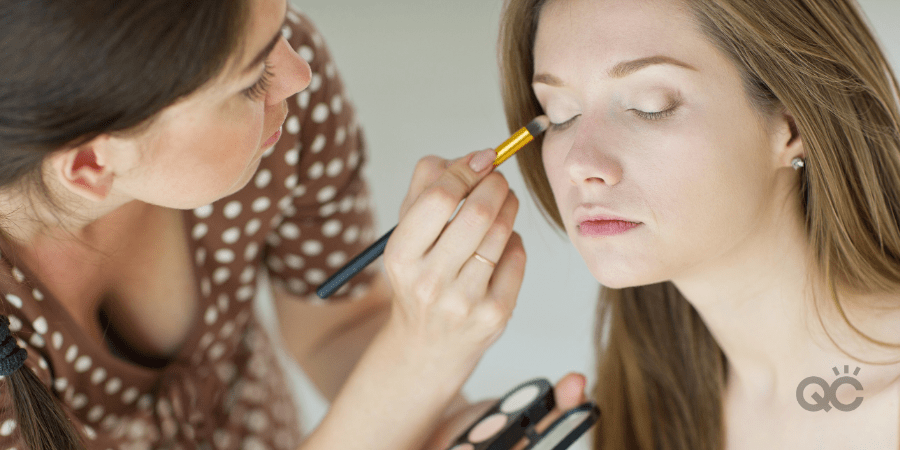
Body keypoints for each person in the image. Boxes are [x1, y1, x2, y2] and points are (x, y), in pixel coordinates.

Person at [0, 0, 589, 448]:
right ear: (90, 164)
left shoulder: (279, 116)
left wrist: (444, 422)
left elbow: (336, 327)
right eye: (252, 78)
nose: (299, 73)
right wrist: (422, 355)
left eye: (279, 28)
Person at [498, 0, 900, 448]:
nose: (580, 163)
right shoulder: (645, 419)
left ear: (792, 124)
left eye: (649, 106)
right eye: (559, 114)